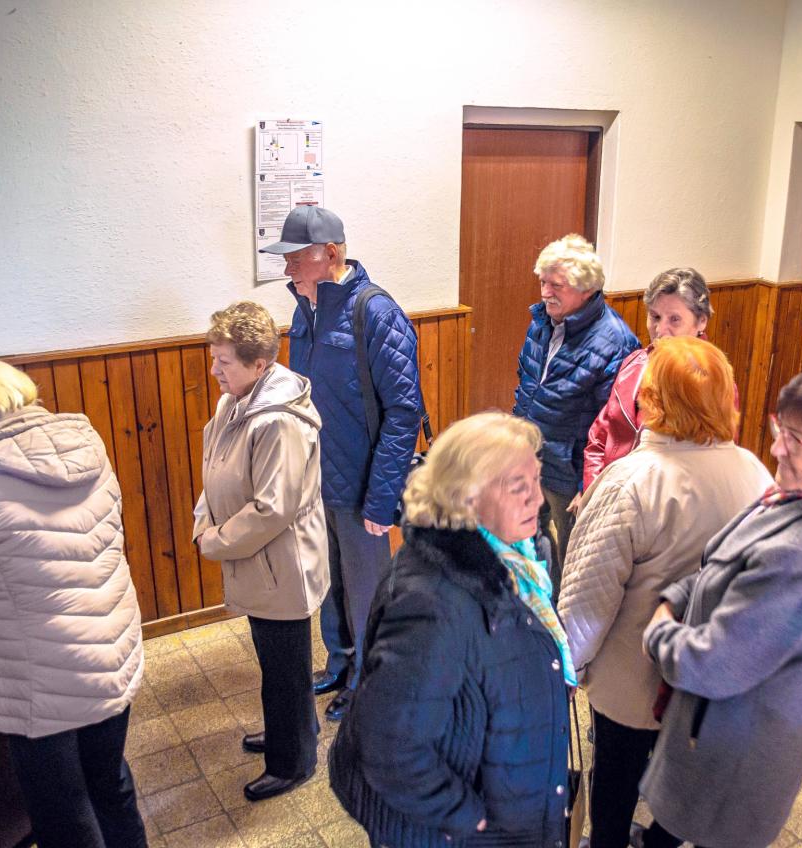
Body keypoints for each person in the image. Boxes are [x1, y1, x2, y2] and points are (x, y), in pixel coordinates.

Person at [635, 363, 802, 848]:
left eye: (798, 440)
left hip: (735, 743)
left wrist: (658, 629)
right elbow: (728, 564)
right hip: (740, 725)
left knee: (704, 830)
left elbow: (708, 664)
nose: (777, 449)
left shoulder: (800, 556)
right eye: (780, 429)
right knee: (671, 830)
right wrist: (681, 594)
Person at [0, 356, 146, 848]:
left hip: (38, 678)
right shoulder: (86, 442)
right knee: (109, 782)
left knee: (62, 809)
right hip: (110, 649)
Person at [557, 336, 772, 848]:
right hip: (707, 677)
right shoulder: (756, 473)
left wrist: (567, 667)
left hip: (631, 683)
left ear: (652, 401)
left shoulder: (630, 482)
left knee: (616, 783)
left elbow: (588, 601)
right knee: (682, 783)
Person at [329, 412, 569, 847]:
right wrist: (468, 819)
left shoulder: (518, 560)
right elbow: (389, 747)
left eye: (537, 480)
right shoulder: (434, 601)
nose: (537, 499)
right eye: (519, 486)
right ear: (465, 495)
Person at [259, 205, 422, 721]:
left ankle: (370, 682)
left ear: (330, 253)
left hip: (362, 486)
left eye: (296, 256)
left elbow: (404, 412)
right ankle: (341, 663)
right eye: (284, 257)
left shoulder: (375, 312)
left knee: (368, 593)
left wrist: (381, 497)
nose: (287, 267)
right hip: (316, 482)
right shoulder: (304, 312)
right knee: (329, 584)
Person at [192, 302, 329, 802]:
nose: (214, 370)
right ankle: (288, 730)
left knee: (286, 668)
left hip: (281, 565)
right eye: (215, 358)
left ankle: (294, 762)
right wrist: (203, 520)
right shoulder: (235, 400)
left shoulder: (277, 422)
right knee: (276, 664)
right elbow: (214, 471)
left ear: (259, 364)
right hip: (257, 562)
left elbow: (273, 508)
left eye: (224, 362)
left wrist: (214, 540)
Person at [512, 233, 638, 572]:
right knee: (528, 544)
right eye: (543, 282)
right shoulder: (542, 321)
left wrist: (590, 486)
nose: (545, 292)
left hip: (571, 475)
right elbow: (526, 383)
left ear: (587, 289)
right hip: (531, 457)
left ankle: (561, 606)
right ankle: (539, 599)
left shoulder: (616, 341)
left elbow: (615, 425)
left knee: (573, 559)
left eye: (556, 285)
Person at [580, 267, 713, 493]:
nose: (660, 330)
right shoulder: (634, 362)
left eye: (675, 319)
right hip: (611, 494)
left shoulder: (711, 382)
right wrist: (594, 492)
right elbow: (599, 437)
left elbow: (706, 472)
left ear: (701, 321)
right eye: (655, 317)